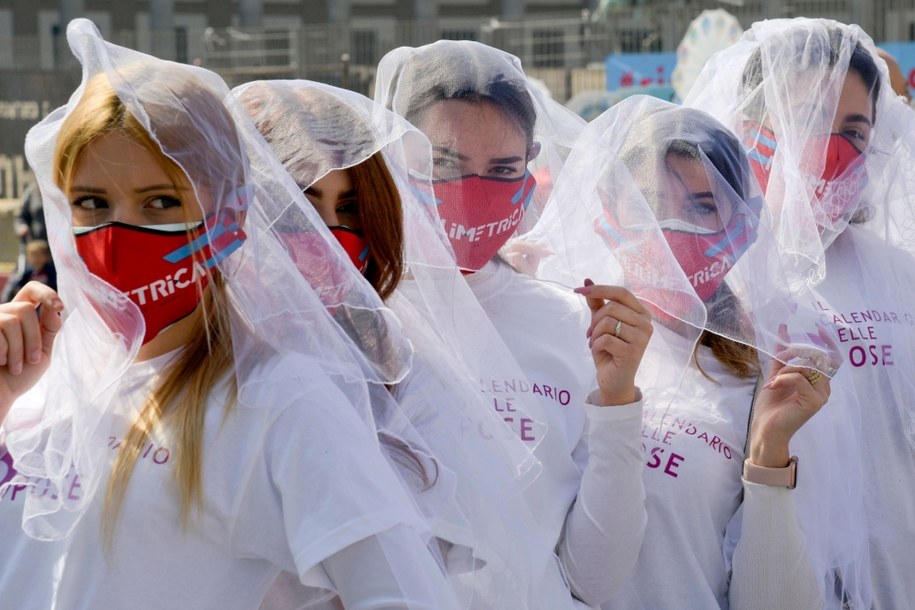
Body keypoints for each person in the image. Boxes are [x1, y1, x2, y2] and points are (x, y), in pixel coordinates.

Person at [0, 18, 459, 610]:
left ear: (231, 217)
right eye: (92, 202)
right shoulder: (40, 380)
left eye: (160, 201)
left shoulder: (277, 401)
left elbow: (405, 594)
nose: (115, 234)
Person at [530, 95, 867, 608]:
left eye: (702, 205)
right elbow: (585, 579)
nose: (672, 227)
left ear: (744, 223)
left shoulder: (764, 378)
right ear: (608, 207)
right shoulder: (559, 336)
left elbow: (776, 601)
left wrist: (768, 453)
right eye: (649, 203)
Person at [238, 79, 557, 608]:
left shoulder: (402, 367)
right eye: (300, 205)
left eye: (350, 209)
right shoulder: (202, 368)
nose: (328, 233)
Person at [375, 40, 651, 609]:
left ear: (532, 164)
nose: (473, 192)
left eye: (502, 169)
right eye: (445, 164)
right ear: (394, 158)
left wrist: (619, 401)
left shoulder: (565, 320)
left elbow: (593, 578)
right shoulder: (364, 312)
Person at [686, 18, 915, 607]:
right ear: (751, 129)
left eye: (853, 130)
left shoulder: (900, 274)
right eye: (809, 119)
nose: (832, 145)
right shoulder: (717, 280)